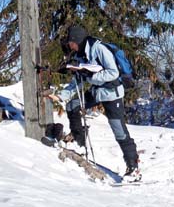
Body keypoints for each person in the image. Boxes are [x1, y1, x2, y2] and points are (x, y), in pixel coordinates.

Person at [47, 25, 140, 180]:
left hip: (112, 94)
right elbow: (77, 80)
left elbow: (113, 73)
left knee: (119, 131)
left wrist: (90, 77)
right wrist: (62, 96)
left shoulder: (99, 49)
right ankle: (79, 143)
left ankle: (133, 167)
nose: (69, 45)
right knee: (72, 106)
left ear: (77, 40)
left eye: (70, 42)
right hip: (97, 92)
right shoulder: (81, 54)